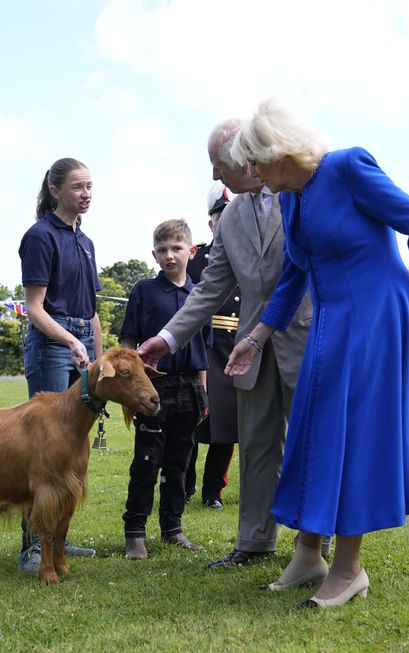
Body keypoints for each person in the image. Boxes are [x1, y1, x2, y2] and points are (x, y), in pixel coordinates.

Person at [225, 99, 409, 608]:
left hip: (379, 319)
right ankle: (309, 554)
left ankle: (349, 570)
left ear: (277, 152)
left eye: (254, 162)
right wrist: (256, 337)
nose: (252, 173)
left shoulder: (348, 167)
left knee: (357, 437)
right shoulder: (289, 197)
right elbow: (294, 275)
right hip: (331, 324)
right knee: (313, 433)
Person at [137, 118, 312, 569]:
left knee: (311, 442)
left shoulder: (301, 194)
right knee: (255, 445)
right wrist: (166, 337)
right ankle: (255, 542)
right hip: (249, 349)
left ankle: (316, 543)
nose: (216, 177)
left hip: (305, 339)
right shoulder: (231, 217)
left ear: (243, 159)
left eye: (218, 165)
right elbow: (209, 290)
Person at [17, 157, 101, 572]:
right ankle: (32, 549)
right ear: (55, 190)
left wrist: (98, 364)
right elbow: (34, 308)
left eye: (90, 186)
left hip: (83, 342)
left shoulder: (85, 243)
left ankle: (58, 541)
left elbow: (93, 312)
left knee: (73, 450)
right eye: (78, 187)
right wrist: (69, 340)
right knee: (45, 450)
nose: (86, 194)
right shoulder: (39, 236)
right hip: (53, 343)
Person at [118, 219, 208, 560]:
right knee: (147, 460)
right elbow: (128, 346)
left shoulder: (201, 294)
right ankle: (135, 532)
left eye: (177, 248)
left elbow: (203, 352)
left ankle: (173, 527)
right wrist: (131, 392)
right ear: (154, 254)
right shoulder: (144, 291)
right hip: (153, 389)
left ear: (191, 251)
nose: (170, 256)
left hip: (189, 390)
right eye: (163, 250)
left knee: (179, 462)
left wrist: (204, 395)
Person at [184, 182, 238, 510]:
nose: (227, 222)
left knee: (227, 426)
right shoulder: (194, 259)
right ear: (212, 222)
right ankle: (185, 483)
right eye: (222, 215)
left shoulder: (248, 257)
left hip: (233, 348)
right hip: (200, 349)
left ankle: (213, 490)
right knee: (192, 422)